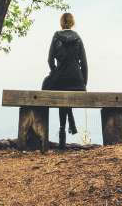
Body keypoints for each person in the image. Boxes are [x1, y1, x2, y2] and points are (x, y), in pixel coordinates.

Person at [42, 12, 87, 147]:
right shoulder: (78, 39)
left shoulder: (56, 38)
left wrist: (55, 71)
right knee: (66, 93)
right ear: (72, 23)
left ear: (61, 22)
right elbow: (84, 64)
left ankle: (62, 132)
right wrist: (83, 83)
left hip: (60, 79)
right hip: (76, 80)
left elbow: (50, 60)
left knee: (52, 86)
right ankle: (68, 126)